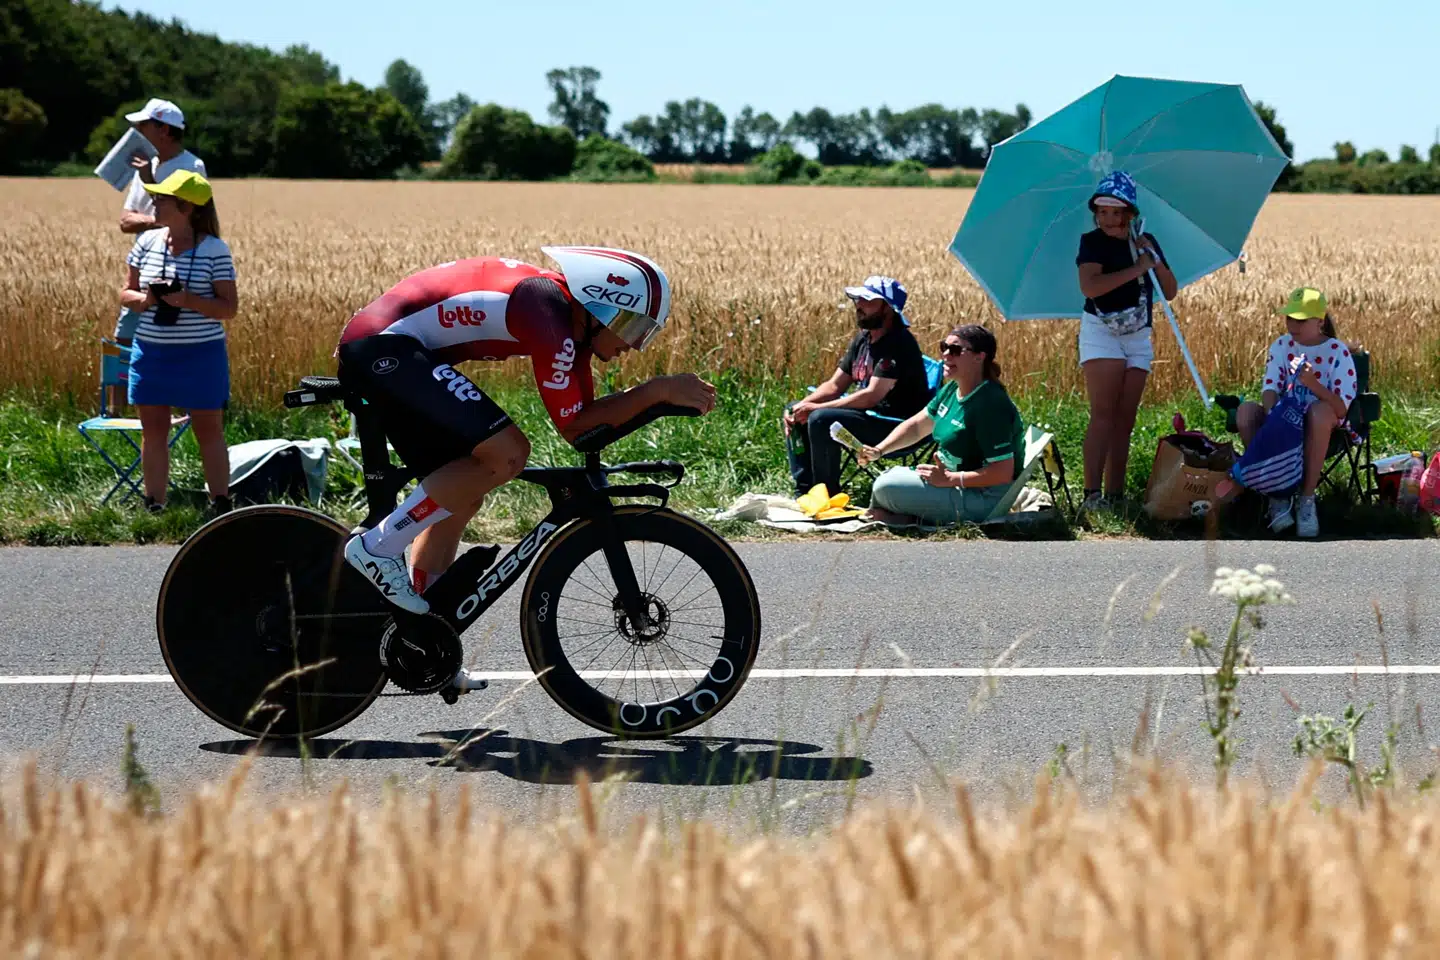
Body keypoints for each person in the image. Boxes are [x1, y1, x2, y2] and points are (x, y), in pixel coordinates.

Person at [333, 247, 717, 691]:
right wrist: (658, 390)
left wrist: (657, 399)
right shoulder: (547, 312)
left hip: (393, 350)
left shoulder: (570, 324)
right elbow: (573, 424)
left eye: (644, 334)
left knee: (462, 490)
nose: (633, 343)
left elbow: (583, 426)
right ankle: (378, 547)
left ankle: (422, 637)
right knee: (509, 453)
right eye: (631, 325)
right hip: (382, 346)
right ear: (597, 307)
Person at [118, 170, 237, 516]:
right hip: (151, 352)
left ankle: (220, 505)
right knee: (152, 430)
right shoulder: (146, 242)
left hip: (201, 354)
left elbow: (229, 309)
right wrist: (145, 301)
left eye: (162, 198)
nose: (154, 202)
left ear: (186, 207)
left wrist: (187, 300)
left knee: (208, 429)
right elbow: (124, 292)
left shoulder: (215, 250)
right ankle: (154, 505)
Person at [1075, 170, 1177, 512]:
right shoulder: (1091, 243)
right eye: (1102, 211)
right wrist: (1137, 269)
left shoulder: (1146, 241)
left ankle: (1115, 495)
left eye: (1115, 211)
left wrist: (1153, 259)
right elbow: (1091, 287)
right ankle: (1092, 496)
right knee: (1103, 413)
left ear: (1129, 212)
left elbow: (1170, 290)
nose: (1107, 218)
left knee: (1126, 418)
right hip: (1102, 331)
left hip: (1138, 334)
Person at [857, 325, 1025, 527]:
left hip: (983, 497)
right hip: (950, 481)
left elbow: (1002, 473)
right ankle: (904, 517)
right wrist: (880, 450)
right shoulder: (954, 387)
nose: (946, 354)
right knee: (888, 477)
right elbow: (918, 426)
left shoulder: (991, 405)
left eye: (955, 350)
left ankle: (906, 518)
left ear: (979, 357)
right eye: (943, 347)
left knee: (887, 486)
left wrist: (951, 479)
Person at [783, 276, 930, 497]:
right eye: (858, 299)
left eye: (867, 300)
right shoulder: (863, 339)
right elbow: (834, 385)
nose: (859, 305)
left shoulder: (898, 343)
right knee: (795, 410)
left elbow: (871, 396)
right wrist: (801, 406)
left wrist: (814, 409)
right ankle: (805, 491)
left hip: (894, 426)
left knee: (822, 418)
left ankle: (827, 495)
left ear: (888, 308)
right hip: (868, 416)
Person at [1234, 287, 1357, 538]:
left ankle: (1306, 499)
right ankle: (1274, 494)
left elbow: (1341, 407)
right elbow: (1270, 387)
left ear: (1319, 322)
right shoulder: (1281, 346)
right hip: (1284, 422)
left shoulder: (1337, 352)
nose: (1293, 325)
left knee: (1319, 412)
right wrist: (1272, 415)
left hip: (1322, 426)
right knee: (1246, 412)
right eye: (1290, 318)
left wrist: (1313, 384)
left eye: (1300, 320)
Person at [115, 98, 208, 347]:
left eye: (143, 126)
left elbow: (190, 221)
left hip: (176, 273)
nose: (137, 132)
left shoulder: (192, 167)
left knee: (167, 347)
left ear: (164, 130)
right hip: (143, 268)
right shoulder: (145, 165)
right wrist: (161, 220)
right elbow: (125, 222)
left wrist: (149, 180)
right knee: (123, 344)